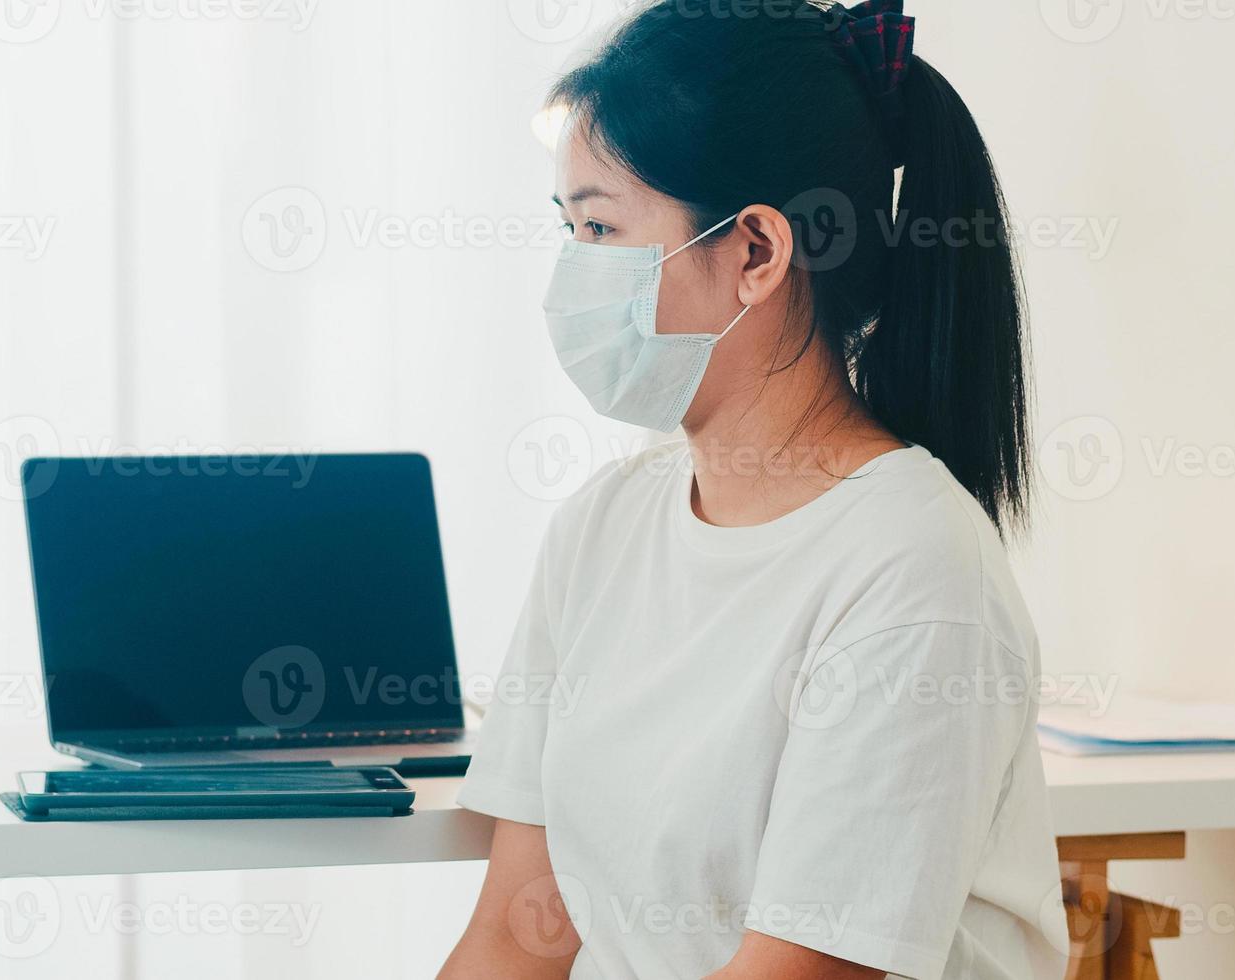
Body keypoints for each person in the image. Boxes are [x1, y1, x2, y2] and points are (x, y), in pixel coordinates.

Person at [440, 2, 1069, 977]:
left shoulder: (911, 566)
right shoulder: (602, 528)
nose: (570, 273)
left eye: (600, 225)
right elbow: (522, 932)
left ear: (755, 254)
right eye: (566, 226)